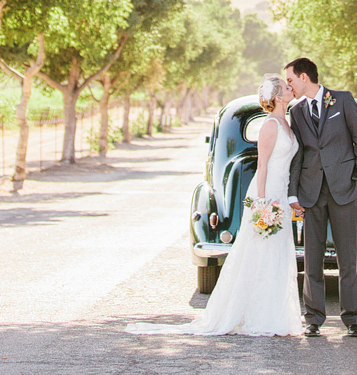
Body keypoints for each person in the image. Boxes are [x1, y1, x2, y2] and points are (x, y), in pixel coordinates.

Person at [125, 74, 303, 337]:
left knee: (278, 253)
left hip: (281, 193)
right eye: (287, 88)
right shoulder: (270, 126)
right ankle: (256, 315)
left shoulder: (285, 122)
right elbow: (262, 165)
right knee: (261, 252)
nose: (292, 90)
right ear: (277, 96)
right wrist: (263, 203)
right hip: (267, 194)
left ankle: (275, 314)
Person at [285, 56, 357, 338]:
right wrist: (293, 194)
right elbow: (297, 155)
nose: (290, 86)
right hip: (311, 193)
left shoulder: (343, 100)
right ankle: (313, 317)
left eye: (291, 80)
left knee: (348, 258)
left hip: (345, 190)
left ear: (304, 77)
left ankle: (353, 318)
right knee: (313, 259)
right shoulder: (296, 112)